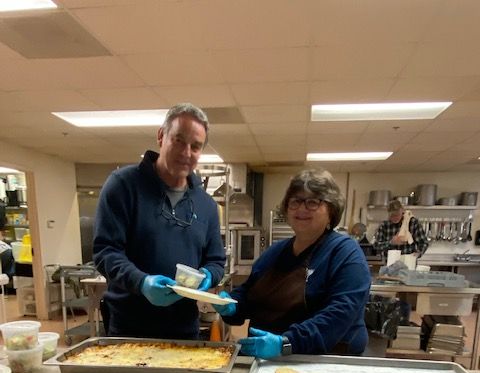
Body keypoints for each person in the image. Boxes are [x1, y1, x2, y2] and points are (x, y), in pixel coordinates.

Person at [93, 103, 226, 339]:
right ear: (161, 136)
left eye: (195, 147)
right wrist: (142, 282)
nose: (186, 153)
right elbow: (106, 252)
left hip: (183, 329)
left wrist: (208, 276)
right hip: (129, 329)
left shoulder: (206, 204)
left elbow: (216, 260)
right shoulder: (124, 186)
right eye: (179, 140)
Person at [213, 169, 372, 359]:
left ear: (331, 210)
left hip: (325, 361)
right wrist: (231, 304)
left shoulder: (345, 253)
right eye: (295, 201)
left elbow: (340, 315)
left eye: (313, 202)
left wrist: (287, 343)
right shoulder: (275, 252)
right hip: (268, 360)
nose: (301, 209)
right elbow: (249, 293)